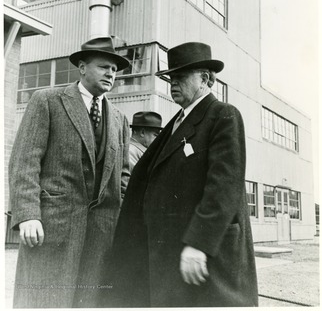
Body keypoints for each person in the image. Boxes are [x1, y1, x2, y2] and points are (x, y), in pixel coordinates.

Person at [107, 42, 258, 307]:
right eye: (170, 77)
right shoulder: (177, 123)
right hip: (169, 252)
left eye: (181, 77)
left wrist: (199, 243)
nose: (173, 83)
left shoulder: (223, 115)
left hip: (204, 256)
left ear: (206, 79)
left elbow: (224, 186)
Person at [9, 37, 130, 308]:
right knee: (44, 301)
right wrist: (28, 214)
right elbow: (25, 161)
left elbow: (123, 178)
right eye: (104, 67)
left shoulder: (120, 119)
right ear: (82, 67)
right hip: (52, 229)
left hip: (100, 236)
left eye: (114, 69)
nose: (111, 73)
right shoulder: (47, 101)